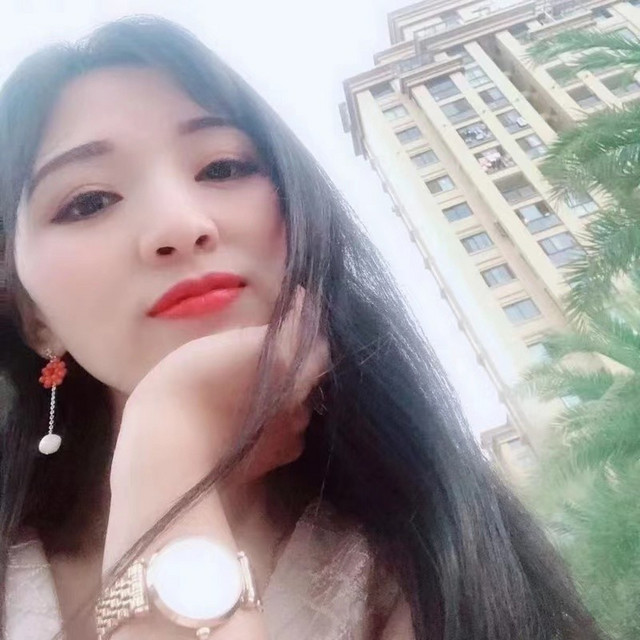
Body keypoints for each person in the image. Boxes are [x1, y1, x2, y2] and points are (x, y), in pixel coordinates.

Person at [0, 15, 603, 640]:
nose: (181, 225)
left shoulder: (434, 567)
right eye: (89, 201)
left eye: (222, 168)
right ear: (33, 318)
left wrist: (169, 449)